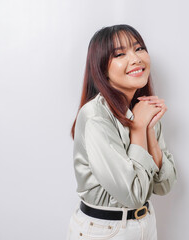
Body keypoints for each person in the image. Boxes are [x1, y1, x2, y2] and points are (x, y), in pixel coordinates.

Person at [67, 24, 177, 240]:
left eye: (139, 49)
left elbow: (164, 185)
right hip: (104, 231)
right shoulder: (95, 116)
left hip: (146, 224)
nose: (136, 59)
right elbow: (134, 194)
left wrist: (149, 131)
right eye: (119, 54)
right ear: (101, 67)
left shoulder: (142, 109)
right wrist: (138, 129)